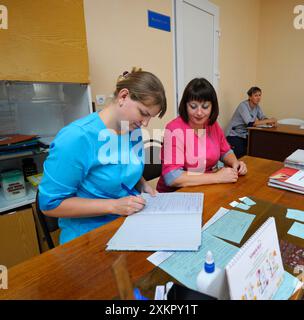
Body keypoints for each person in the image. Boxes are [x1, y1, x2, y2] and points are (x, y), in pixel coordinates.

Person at [38, 68, 167, 244]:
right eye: (143, 113)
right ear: (123, 96)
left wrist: (143, 184)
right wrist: (113, 206)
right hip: (87, 239)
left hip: (128, 225)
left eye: (150, 117)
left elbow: (124, 168)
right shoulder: (76, 138)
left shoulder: (131, 130)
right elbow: (50, 204)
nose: (145, 123)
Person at [156, 78, 247, 193]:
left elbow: (225, 151)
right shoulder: (174, 129)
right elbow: (172, 177)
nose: (199, 113)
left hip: (204, 188)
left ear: (212, 107)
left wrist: (235, 163)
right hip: (176, 194)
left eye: (205, 107)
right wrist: (217, 177)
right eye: (193, 106)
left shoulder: (212, 125)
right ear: (185, 106)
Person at [226, 87, 277, 158]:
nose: (258, 98)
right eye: (256, 95)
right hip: (234, 135)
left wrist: (269, 122)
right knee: (240, 155)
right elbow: (250, 123)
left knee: (255, 149)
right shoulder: (243, 106)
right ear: (250, 97)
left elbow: (262, 117)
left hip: (245, 134)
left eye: (259, 95)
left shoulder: (257, 106)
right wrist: (269, 120)